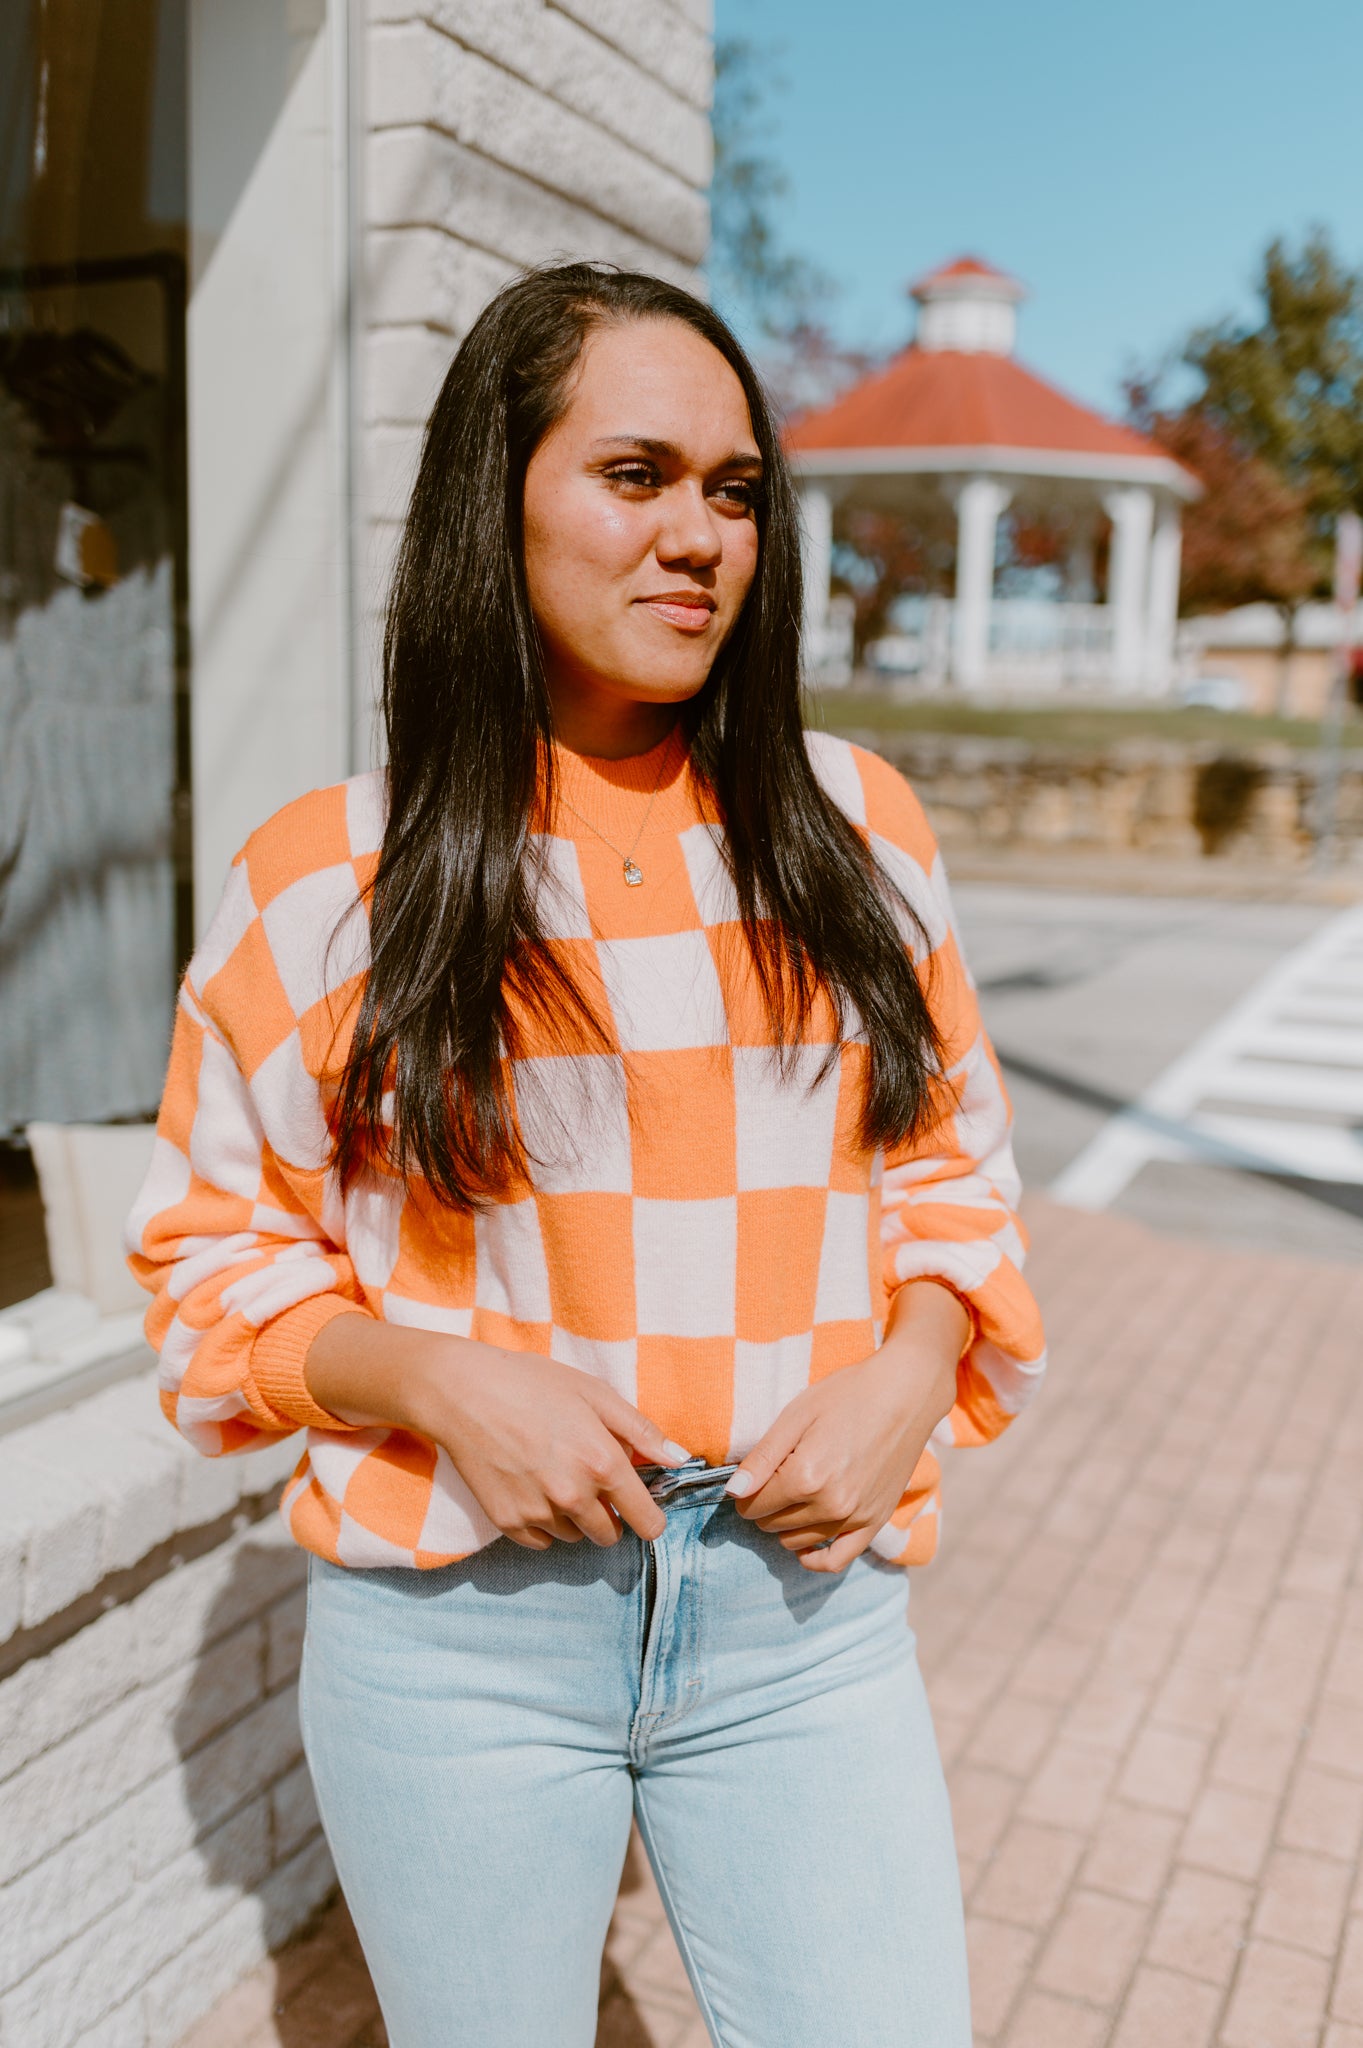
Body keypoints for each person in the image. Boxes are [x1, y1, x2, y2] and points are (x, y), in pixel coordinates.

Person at [127, 264, 1046, 2047]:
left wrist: (914, 1373)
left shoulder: (857, 828)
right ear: (501, 494)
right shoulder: (326, 879)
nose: (698, 534)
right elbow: (205, 1256)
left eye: (733, 488)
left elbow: (954, 1173)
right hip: (459, 1642)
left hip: (801, 1620)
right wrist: (439, 1378)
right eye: (634, 474)